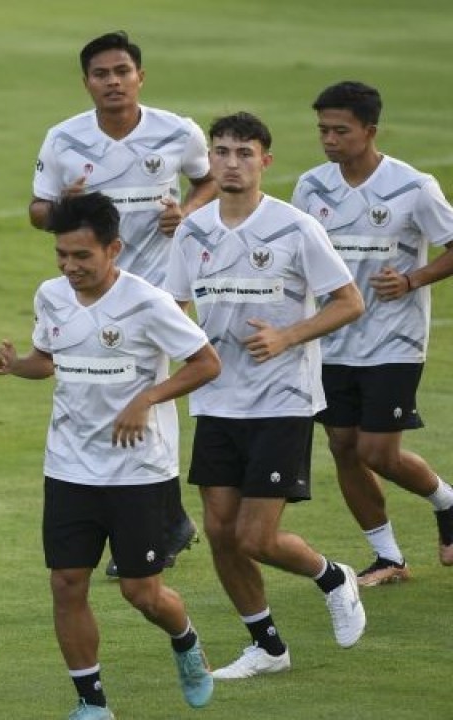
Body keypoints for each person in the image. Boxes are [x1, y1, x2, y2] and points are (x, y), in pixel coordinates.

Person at [0, 192, 220, 720]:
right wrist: (13, 365)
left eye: (81, 256)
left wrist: (147, 398)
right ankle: (92, 703)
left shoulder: (148, 303)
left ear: (114, 249)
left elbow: (207, 363)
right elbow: (47, 361)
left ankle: (185, 640)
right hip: (68, 466)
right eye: (61, 255)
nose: (69, 267)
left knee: (142, 593)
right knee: (66, 584)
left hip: (138, 471)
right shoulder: (51, 296)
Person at [165, 112, 367, 680]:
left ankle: (333, 576)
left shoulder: (295, 227)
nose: (231, 163)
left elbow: (349, 301)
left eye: (244, 153)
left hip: (282, 400)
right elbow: (173, 306)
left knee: (255, 537)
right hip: (216, 400)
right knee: (221, 533)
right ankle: (267, 646)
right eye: (221, 152)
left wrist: (287, 336)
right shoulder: (192, 231)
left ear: (265, 161)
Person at [30, 31, 217, 577]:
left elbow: (207, 182)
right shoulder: (64, 139)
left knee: (151, 384)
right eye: (101, 74)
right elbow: (37, 211)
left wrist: (186, 211)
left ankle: (163, 518)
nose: (112, 82)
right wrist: (60, 208)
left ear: (140, 77)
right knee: (118, 386)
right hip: (91, 281)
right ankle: (163, 516)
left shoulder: (178, 131)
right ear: (86, 82)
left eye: (121, 72)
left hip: (159, 282)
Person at [291, 81, 453, 585]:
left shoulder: (413, 187)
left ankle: (446, 501)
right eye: (323, 130)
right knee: (343, 446)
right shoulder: (311, 187)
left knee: (377, 452)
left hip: (394, 341)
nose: (329, 139)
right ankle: (388, 557)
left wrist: (412, 280)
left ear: (370, 130)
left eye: (340, 130)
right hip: (331, 341)